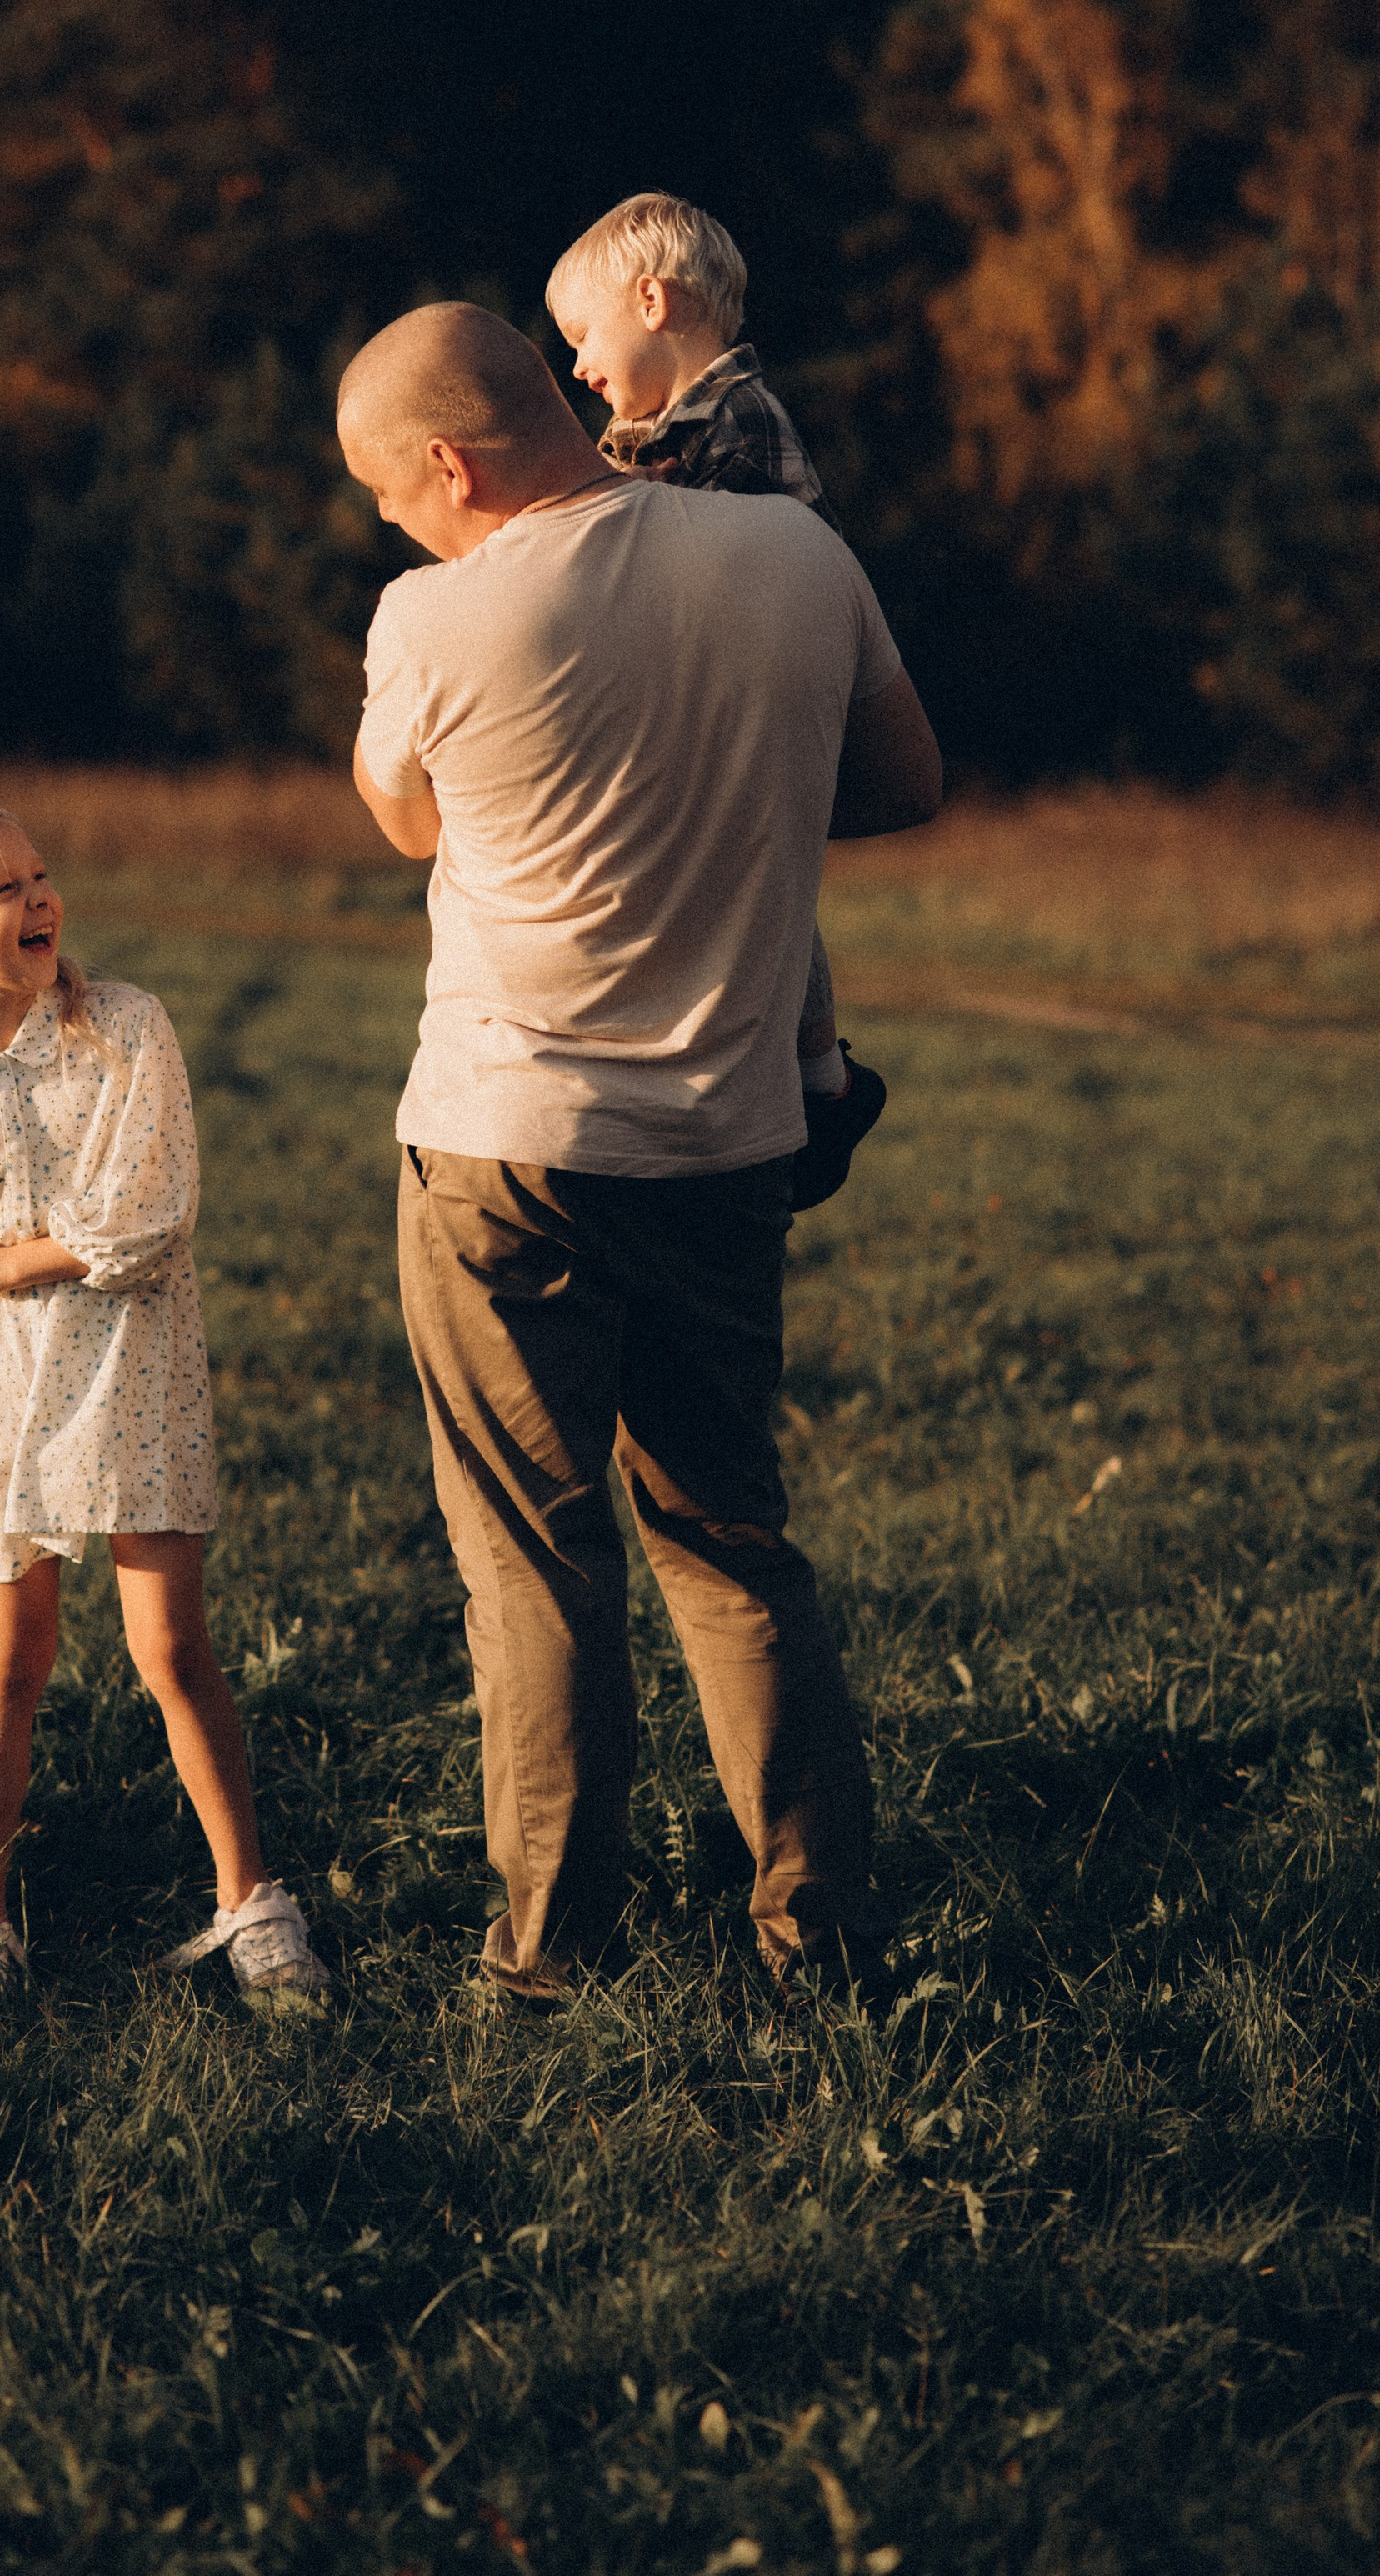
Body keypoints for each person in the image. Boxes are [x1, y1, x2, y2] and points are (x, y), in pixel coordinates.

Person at [338, 303, 942, 2003]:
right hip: (730, 1143)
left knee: (536, 1562)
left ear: (446, 466)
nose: (385, 519)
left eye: (386, 487)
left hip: (502, 1153)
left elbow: (406, 821)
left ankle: (548, 1965)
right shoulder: (796, 559)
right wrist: (727, 780)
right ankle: (818, 1945)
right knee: (730, 1542)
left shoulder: (431, 612)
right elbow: (901, 781)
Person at [0, 791, 329, 2012]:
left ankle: (253, 1908)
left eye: (41, 875)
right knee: (9, 1659)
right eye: (3, 888)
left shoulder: (123, 1028)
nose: (41, 900)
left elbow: (147, 1216)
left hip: (129, 1371)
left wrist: (1, 1265)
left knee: (171, 1647)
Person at [548, 188, 879, 1211]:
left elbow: (727, 559)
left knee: (776, 907)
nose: (576, 367)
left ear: (652, 300)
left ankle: (823, 1085)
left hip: (747, 708)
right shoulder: (644, 435)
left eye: (583, 335)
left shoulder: (735, 420)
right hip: (702, 707)